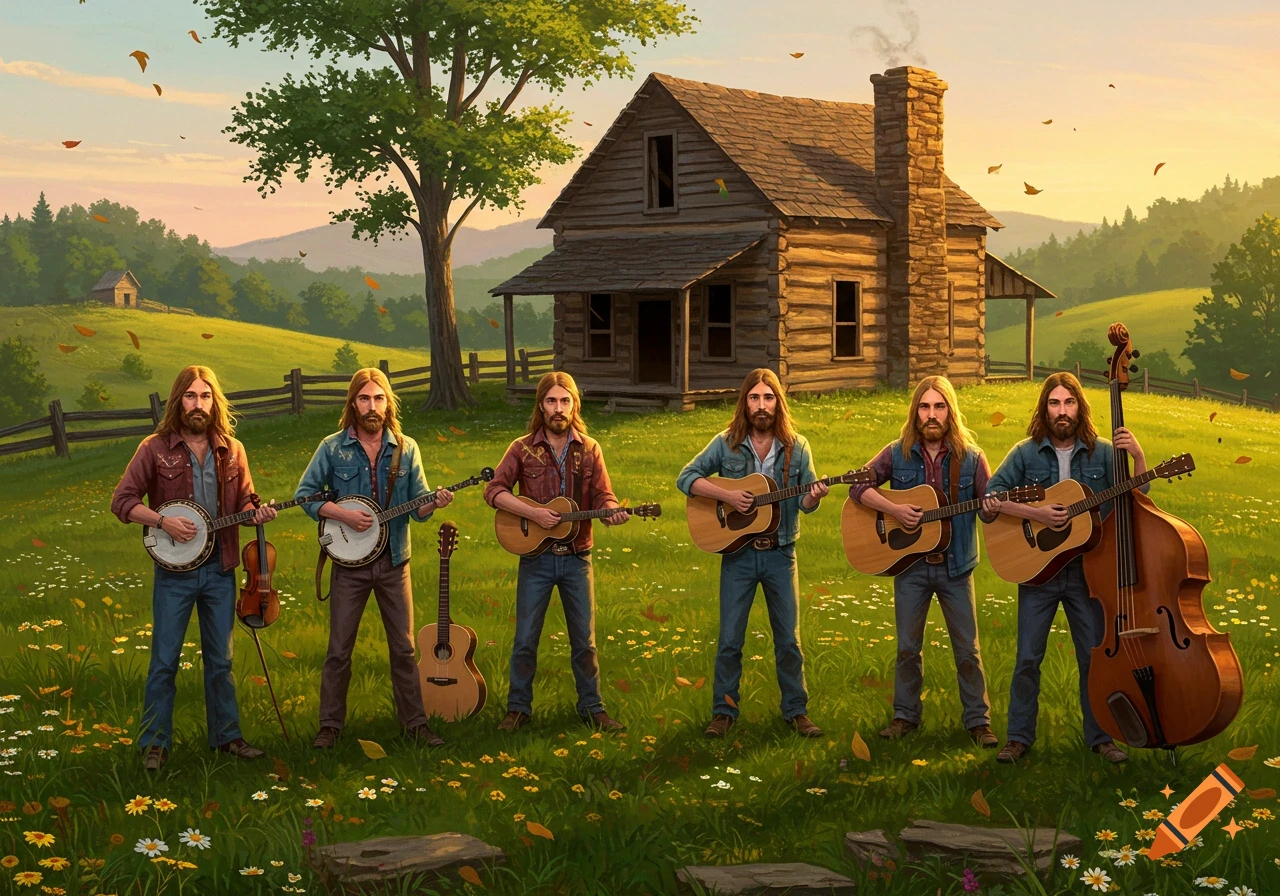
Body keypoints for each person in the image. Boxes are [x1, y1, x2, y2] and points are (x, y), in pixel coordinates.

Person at [111, 365, 276, 773]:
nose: (198, 404)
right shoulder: (154, 448)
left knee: (221, 661)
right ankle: (155, 745)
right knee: (164, 661)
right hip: (174, 574)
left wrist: (256, 512)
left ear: (214, 402)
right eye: (190, 396)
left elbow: (246, 501)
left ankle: (228, 739)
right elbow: (123, 501)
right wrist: (162, 521)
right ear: (177, 400)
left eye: (205, 396)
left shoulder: (232, 449)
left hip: (221, 569)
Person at [982, 372, 1148, 765]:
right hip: (1039, 572)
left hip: (1089, 573)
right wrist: (1035, 512)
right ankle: (1018, 738)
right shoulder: (1024, 453)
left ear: (1079, 408)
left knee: (1093, 658)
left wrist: (1139, 457)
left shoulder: (1105, 453)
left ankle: (1102, 738)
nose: (1061, 411)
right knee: (1027, 659)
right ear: (1045, 409)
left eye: (1068, 403)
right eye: (1054, 403)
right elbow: (991, 497)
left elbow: (1136, 500)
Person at [296, 368, 453, 749]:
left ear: (388, 403)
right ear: (353, 403)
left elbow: (419, 506)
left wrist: (434, 502)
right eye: (364, 398)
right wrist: (343, 514)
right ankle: (329, 727)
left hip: (394, 562)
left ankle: (415, 724)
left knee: (403, 648)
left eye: (379, 398)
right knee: (339, 650)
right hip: (349, 565)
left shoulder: (405, 447)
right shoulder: (332, 448)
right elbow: (305, 495)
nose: (372, 406)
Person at [677, 368, 828, 739]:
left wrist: (813, 496)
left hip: (780, 553)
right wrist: (727, 496)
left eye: (769, 398)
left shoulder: (798, 447)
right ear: (745, 402)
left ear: (779, 402)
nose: (762, 406)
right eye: (755, 398)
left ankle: (796, 711)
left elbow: (806, 504)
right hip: (739, 555)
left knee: (788, 639)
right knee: (730, 638)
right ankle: (723, 712)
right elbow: (686, 478)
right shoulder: (726, 443)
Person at [852, 376, 997, 749]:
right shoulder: (895, 453)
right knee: (907, 648)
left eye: (939, 406)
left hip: (956, 566)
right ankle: (905, 717)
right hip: (911, 566)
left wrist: (994, 506)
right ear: (915, 412)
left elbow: (991, 509)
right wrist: (894, 507)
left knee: (967, 648)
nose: (931, 415)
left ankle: (978, 722)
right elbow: (858, 486)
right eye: (924, 407)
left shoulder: (973, 458)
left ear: (950, 411)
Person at [484, 372, 628, 733]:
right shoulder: (521, 448)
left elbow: (602, 496)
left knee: (585, 642)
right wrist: (531, 513)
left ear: (574, 404)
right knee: (525, 640)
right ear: (541, 405)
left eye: (565, 401)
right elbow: (495, 491)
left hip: (578, 556)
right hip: (536, 558)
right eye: (551, 401)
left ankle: (592, 708)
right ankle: (518, 709)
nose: (558, 408)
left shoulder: (590, 449)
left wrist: (612, 512)